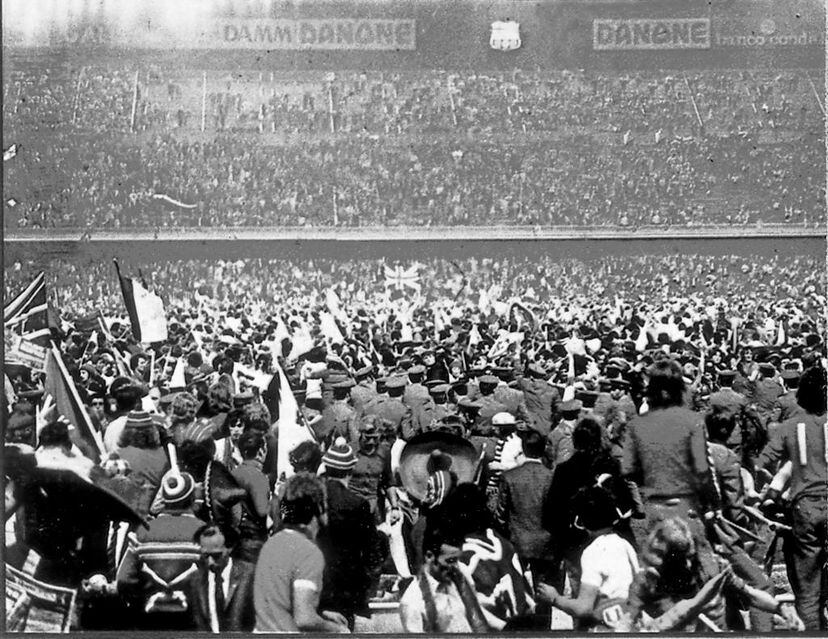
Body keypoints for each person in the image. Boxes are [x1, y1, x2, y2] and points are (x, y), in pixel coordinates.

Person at [625, 517, 803, 631]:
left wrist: (782, 610)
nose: (688, 564)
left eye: (691, 557)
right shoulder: (646, 582)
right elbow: (624, 623)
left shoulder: (714, 567)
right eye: (681, 560)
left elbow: (750, 595)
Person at [754, 365, 827, 630]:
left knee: (807, 587)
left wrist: (772, 492)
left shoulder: (790, 426)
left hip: (805, 505)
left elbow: (762, 462)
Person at [621, 358, 716, 559]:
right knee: (703, 567)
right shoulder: (693, 421)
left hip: (654, 506)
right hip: (686, 503)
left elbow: (627, 469)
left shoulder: (637, 425)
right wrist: (712, 502)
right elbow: (702, 469)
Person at [253, 473, 349, 633]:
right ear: (319, 508)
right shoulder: (308, 552)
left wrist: (320, 614)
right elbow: (304, 618)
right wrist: (337, 629)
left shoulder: (271, 543)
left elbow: (281, 601)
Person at [537, 485, 640, 630]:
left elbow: (584, 608)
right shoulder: (625, 545)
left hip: (608, 626)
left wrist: (554, 598)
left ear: (580, 520)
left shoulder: (593, 552)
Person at [116, 471, 203, 630]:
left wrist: (142, 600)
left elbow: (123, 580)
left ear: (163, 500)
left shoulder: (143, 531)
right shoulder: (203, 532)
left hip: (150, 621)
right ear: (192, 499)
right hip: (191, 622)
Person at [318, 437, 386, 630]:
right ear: (350, 471)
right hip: (346, 584)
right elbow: (371, 548)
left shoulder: (313, 497)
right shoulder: (358, 504)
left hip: (315, 579)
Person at [496, 429, 554, 590]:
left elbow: (500, 513)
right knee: (543, 589)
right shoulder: (551, 477)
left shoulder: (509, 476)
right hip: (545, 542)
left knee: (516, 588)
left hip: (516, 540)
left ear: (523, 449)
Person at [188, 525, 256, 632]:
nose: (210, 562)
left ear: (229, 548)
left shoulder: (249, 575)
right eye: (205, 556)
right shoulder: (196, 580)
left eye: (216, 556)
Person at [230, 429, 270, 563]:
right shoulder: (258, 477)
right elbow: (263, 511)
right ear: (261, 451)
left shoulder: (233, 473)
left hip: (234, 538)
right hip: (253, 541)